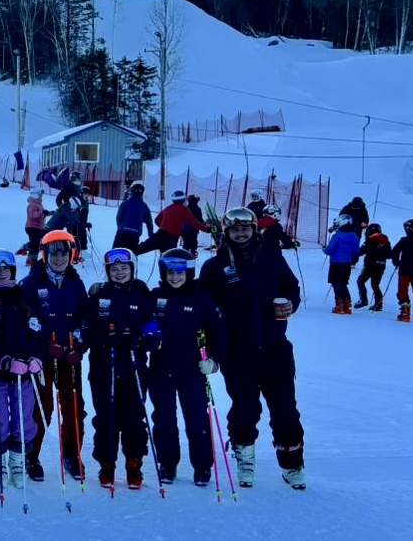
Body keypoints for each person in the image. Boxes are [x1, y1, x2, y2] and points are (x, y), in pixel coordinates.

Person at [198, 208, 306, 490]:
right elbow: (201, 306)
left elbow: (291, 287)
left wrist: (290, 303)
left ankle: (292, 465)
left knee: (285, 410)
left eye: (245, 228)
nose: (241, 233)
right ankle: (245, 459)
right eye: (235, 229)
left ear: (255, 230)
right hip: (237, 353)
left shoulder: (271, 258)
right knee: (246, 408)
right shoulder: (215, 267)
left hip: (274, 348)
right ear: (226, 233)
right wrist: (211, 350)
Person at [146, 248, 227, 487]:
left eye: (180, 273)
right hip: (161, 368)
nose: (175, 277)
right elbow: (141, 317)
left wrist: (213, 359)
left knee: (197, 418)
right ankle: (167, 463)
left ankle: (202, 466)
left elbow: (219, 331)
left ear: (189, 273)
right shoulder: (156, 296)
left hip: (192, 369)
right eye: (170, 272)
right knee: (164, 418)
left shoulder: (200, 298)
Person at [80, 248, 153, 491]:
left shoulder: (141, 294)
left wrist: (143, 339)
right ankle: (107, 463)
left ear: (132, 269)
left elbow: (151, 324)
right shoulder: (99, 296)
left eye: (124, 268)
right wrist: (101, 339)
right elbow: (87, 326)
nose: (119, 272)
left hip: (133, 363)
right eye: (114, 269)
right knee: (106, 416)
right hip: (105, 363)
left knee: (134, 417)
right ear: (108, 271)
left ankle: (134, 462)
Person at [20, 229, 89, 482]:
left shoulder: (75, 283)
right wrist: (43, 345)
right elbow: (24, 322)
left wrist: (79, 346)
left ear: (71, 255)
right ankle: (31, 455)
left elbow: (85, 319)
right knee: (42, 407)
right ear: (44, 255)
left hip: (69, 355)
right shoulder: (30, 284)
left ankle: (72, 454)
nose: (59, 259)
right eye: (54, 254)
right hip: (43, 357)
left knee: (73, 406)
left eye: (64, 254)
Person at [0, 248, 41, 488]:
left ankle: (17, 459)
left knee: (24, 417)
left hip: (23, 371)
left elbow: (34, 329)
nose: (2, 273)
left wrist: (35, 356)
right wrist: (1, 358)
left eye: (6, 269)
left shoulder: (22, 296)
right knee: (0, 417)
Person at [134, 191, 212, 256]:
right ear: (182, 200)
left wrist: (165, 226)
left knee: (140, 249)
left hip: (160, 234)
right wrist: (207, 229)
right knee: (169, 260)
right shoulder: (184, 209)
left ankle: (129, 256)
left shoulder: (168, 208)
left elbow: (157, 220)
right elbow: (194, 223)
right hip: (171, 239)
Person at [323, 216, 360, 314]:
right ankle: (347, 303)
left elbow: (330, 250)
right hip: (347, 263)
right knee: (343, 283)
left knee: (336, 283)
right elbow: (356, 252)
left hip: (335, 263)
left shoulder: (336, 236)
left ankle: (340, 304)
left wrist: (324, 249)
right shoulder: (355, 237)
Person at [354, 224, 391, 311]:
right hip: (381, 265)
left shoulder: (369, 240)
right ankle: (378, 304)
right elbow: (389, 255)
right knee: (375, 284)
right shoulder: (386, 241)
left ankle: (363, 300)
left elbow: (360, 252)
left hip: (369, 265)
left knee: (360, 281)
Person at [114, 182, 155, 251]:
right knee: (130, 253)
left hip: (122, 232)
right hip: (135, 234)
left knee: (115, 252)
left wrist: (120, 226)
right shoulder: (144, 206)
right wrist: (151, 235)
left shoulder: (125, 203)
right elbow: (149, 222)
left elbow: (118, 217)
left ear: (131, 192)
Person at [22, 188, 48, 261]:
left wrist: (48, 213)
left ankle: (31, 259)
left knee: (36, 244)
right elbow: (32, 215)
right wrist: (42, 212)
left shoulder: (38, 204)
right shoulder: (33, 204)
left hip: (37, 227)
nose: (41, 197)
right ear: (35, 195)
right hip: (32, 227)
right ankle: (29, 257)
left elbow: (40, 214)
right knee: (35, 244)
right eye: (40, 195)